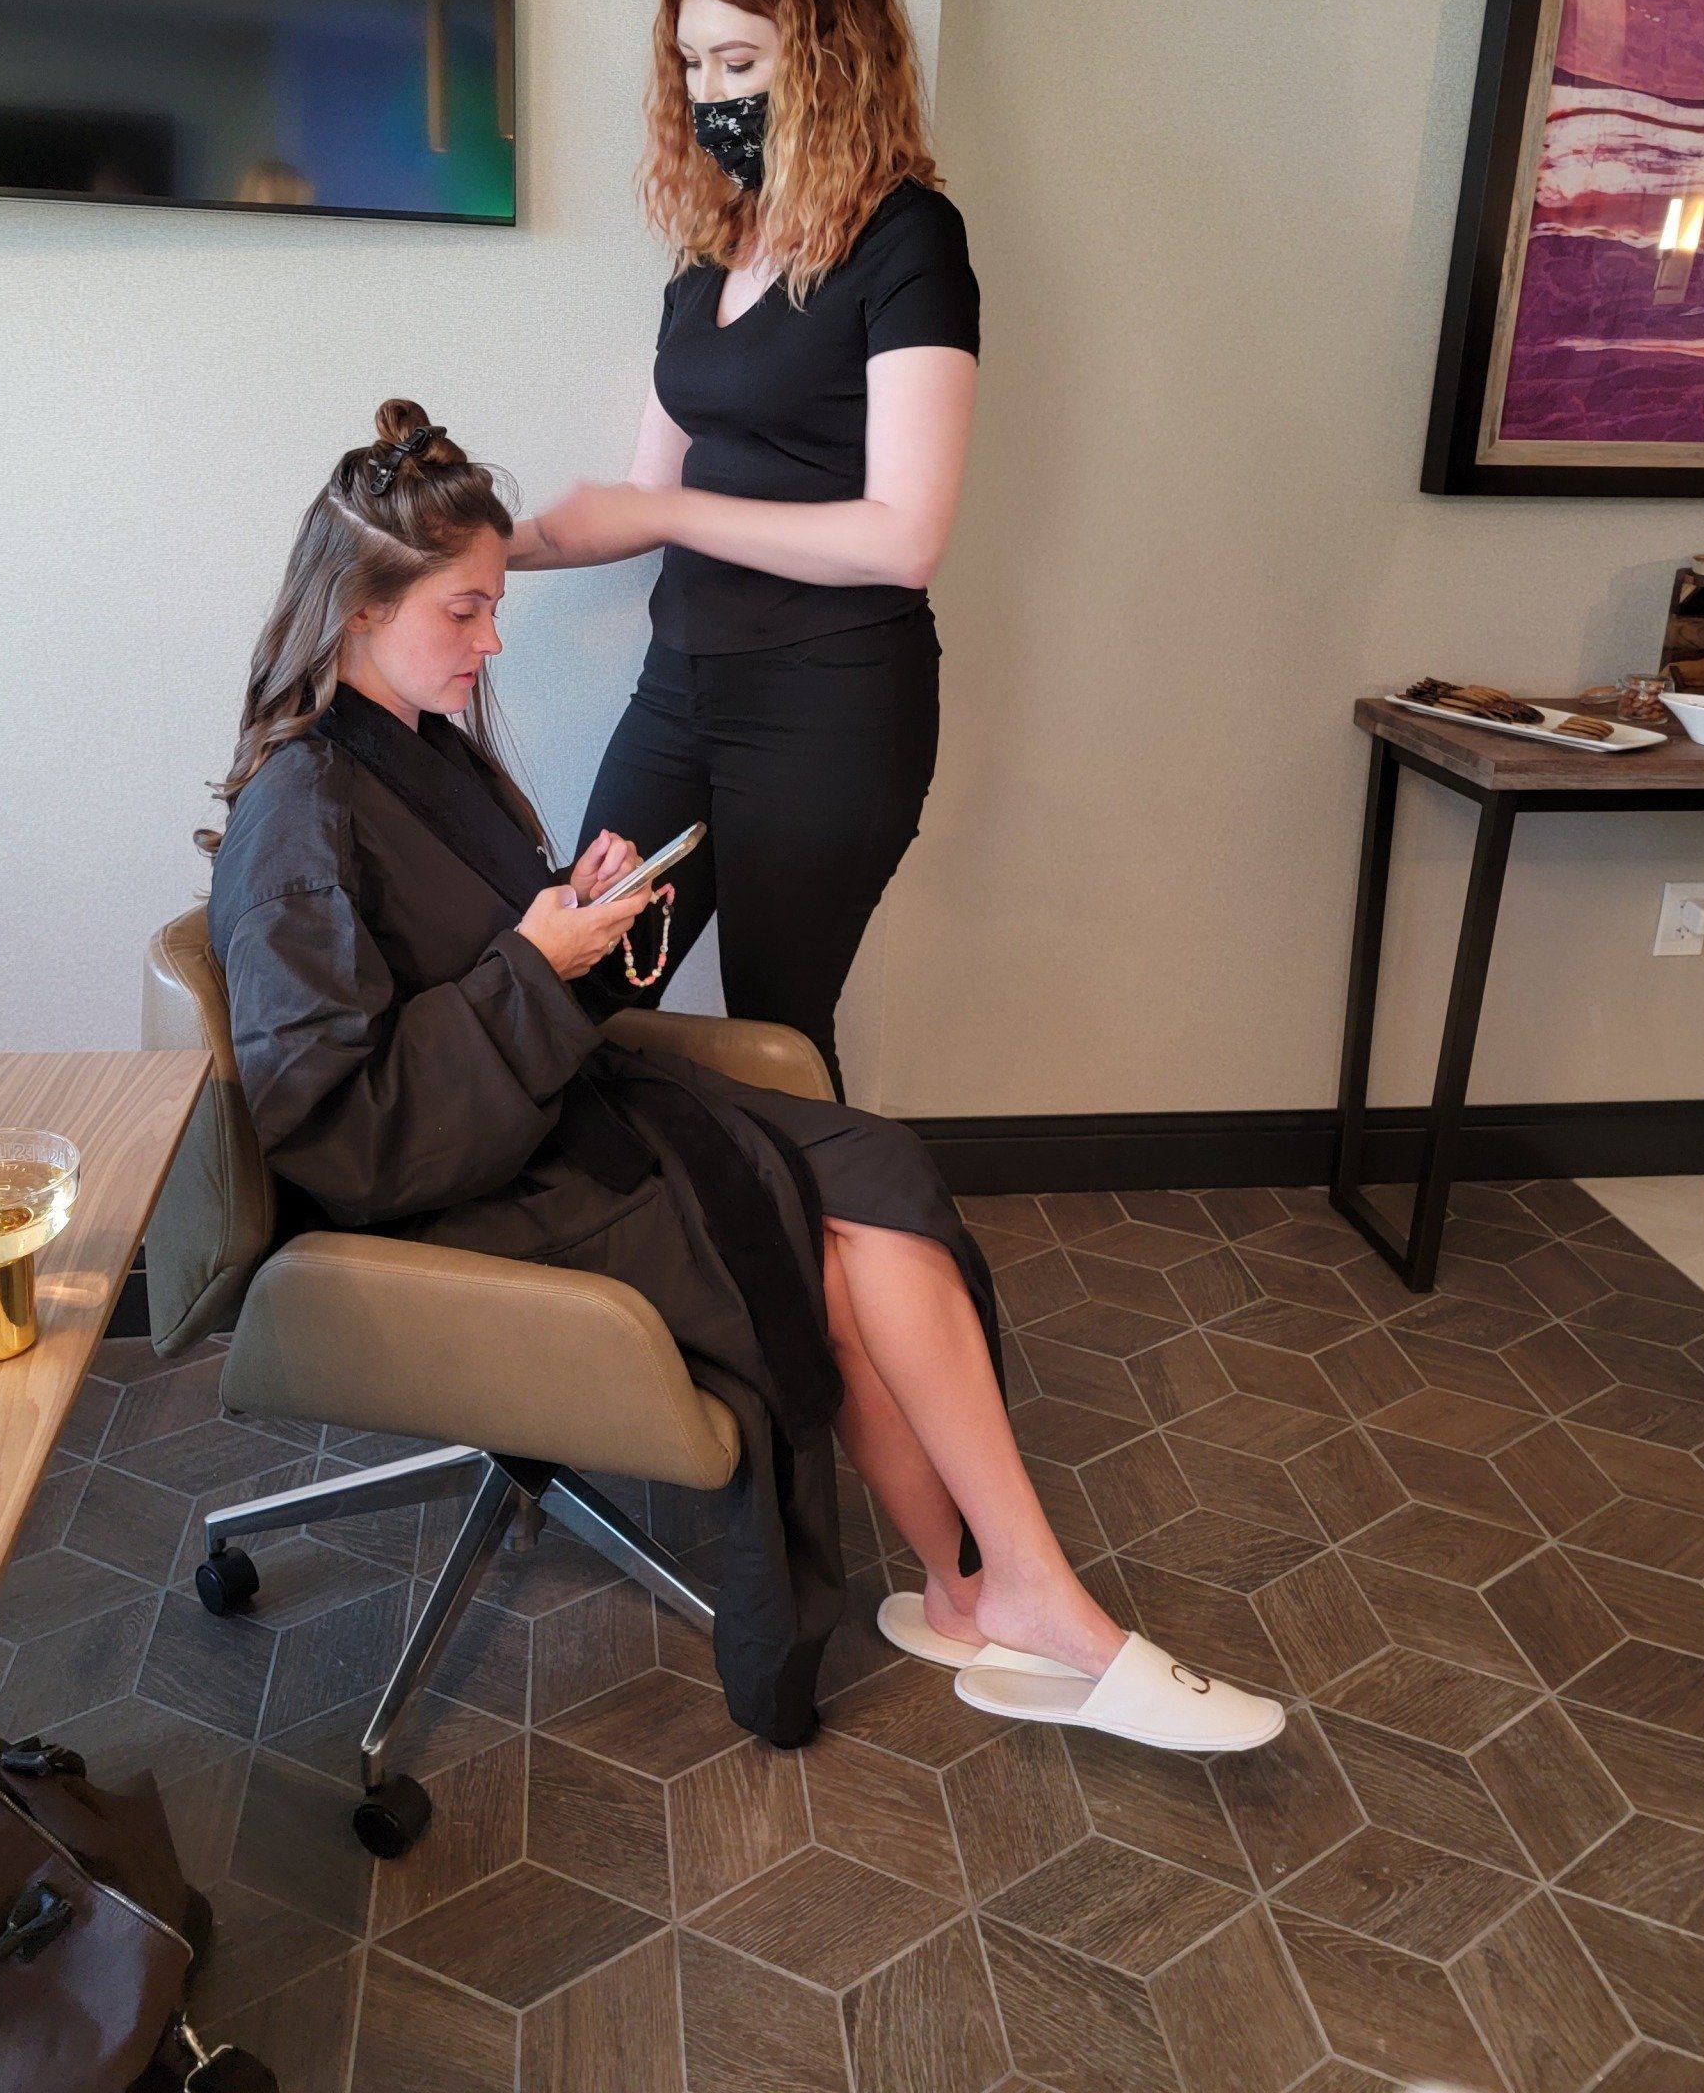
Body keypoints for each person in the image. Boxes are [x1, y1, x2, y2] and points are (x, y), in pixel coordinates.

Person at [200, 402, 1282, 1756]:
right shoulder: (299, 809)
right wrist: (534, 968)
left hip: (538, 1119)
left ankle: (998, 1588)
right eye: (467, 613)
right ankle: (1007, 1596)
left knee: (870, 1167)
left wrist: (573, 923)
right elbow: (338, 1129)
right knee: (811, 1249)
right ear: (361, 608)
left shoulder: (416, 749)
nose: (491, 646)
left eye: (492, 612)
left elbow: (477, 973)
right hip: (445, 1192)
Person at [510, 0, 977, 1098]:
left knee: (777, 1032)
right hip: (683, 689)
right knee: (583, 993)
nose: (712, 94)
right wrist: (475, 549)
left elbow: (904, 536)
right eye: (691, 65)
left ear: (826, 57)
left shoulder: (909, 242)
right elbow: (639, 492)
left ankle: (815, 1272)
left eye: (739, 60)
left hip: (831, 708)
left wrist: (660, 517)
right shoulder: (707, 262)